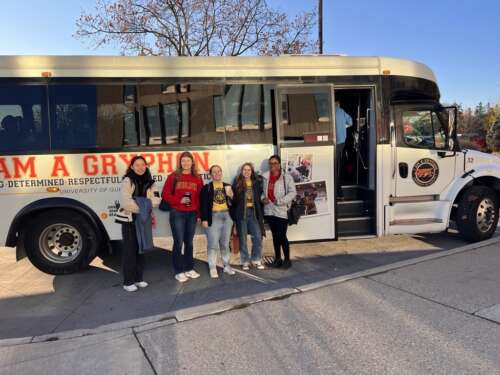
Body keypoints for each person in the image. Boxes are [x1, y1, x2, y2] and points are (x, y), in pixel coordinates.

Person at [117, 155, 160, 292]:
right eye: (137, 165)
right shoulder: (127, 181)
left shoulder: (151, 182)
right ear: (131, 167)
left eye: (143, 165)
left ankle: (138, 278)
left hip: (143, 220)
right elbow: (125, 202)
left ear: (146, 166)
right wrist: (144, 207)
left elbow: (157, 199)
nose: (140, 167)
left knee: (142, 248)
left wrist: (141, 204)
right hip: (130, 220)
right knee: (130, 251)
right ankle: (128, 281)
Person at [162, 151, 204, 283]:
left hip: (192, 214)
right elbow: (165, 194)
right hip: (177, 213)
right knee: (178, 242)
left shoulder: (197, 178)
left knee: (189, 242)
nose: (186, 163)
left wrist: (199, 214)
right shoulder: (173, 176)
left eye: (188, 160)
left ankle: (189, 268)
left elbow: (199, 198)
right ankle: (179, 271)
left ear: (192, 162)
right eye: (183, 160)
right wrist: (178, 200)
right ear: (180, 163)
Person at [200, 165, 236, 278]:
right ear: (210, 174)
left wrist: (232, 197)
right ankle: (212, 267)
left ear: (221, 173)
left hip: (227, 216)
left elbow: (233, 204)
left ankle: (226, 265)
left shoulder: (228, 186)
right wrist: (204, 219)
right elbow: (203, 205)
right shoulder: (207, 188)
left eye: (219, 171)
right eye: (214, 172)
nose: (217, 174)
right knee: (212, 245)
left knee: (225, 244)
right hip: (213, 216)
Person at [262, 155, 297, 269]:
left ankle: (287, 260)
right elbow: (263, 192)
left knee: (281, 236)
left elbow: (293, 193)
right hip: (269, 210)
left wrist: (281, 201)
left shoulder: (287, 177)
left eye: (275, 163)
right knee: (275, 236)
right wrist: (263, 198)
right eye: (271, 163)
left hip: (281, 211)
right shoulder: (265, 177)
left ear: (279, 164)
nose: (273, 165)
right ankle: (277, 259)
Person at [231, 163, 266, 271]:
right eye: (245, 170)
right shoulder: (237, 183)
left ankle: (256, 259)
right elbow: (234, 201)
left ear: (252, 171)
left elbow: (261, 197)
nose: (247, 172)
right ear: (242, 171)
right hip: (242, 214)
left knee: (257, 237)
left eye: (249, 170)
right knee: (243, 239)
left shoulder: (256, 183)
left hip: (254, 213)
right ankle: (245, 261)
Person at [335, 102, 353, 199]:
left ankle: (338, 192)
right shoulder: (341, 111)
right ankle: (339, 192)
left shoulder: (329, 112)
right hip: (341, 142)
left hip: (334, 143)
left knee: (334, 169)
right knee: (337, 168)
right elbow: (350, 122)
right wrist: (343, 126)